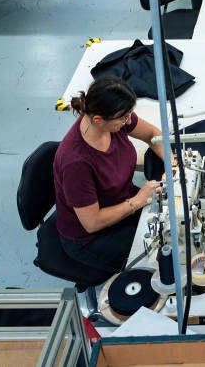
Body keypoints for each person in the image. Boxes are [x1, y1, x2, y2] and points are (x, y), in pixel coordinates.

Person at [54, 76, 165, 274]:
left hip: (122, 202)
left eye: (130, 113)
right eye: (124, 118)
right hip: (90, 238)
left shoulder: (112, 118)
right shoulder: (76, 163)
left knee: (169, 227)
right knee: (160, 258)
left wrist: (173, 163)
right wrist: (138, 201)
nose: (129, 121)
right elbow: (92, 222)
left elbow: (152, 135)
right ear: (98, 120)